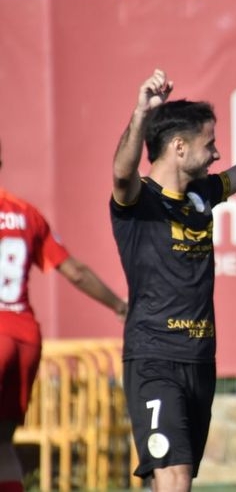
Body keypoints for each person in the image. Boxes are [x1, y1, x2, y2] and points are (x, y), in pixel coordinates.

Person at [110, 69, 236, 491]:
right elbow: (121, 174)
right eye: (209, 143)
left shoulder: (203, 194)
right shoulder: (137, 200)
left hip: (200, 361)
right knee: (174, 476)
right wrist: (140, 113)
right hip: (154, 358)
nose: (216, 154)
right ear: (179, 147)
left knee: (174, 480)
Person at [0, 141, 127, 492]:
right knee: (3, 444)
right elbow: (76, 272)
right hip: (24, 336)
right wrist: (119, 305)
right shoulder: (26, 213)